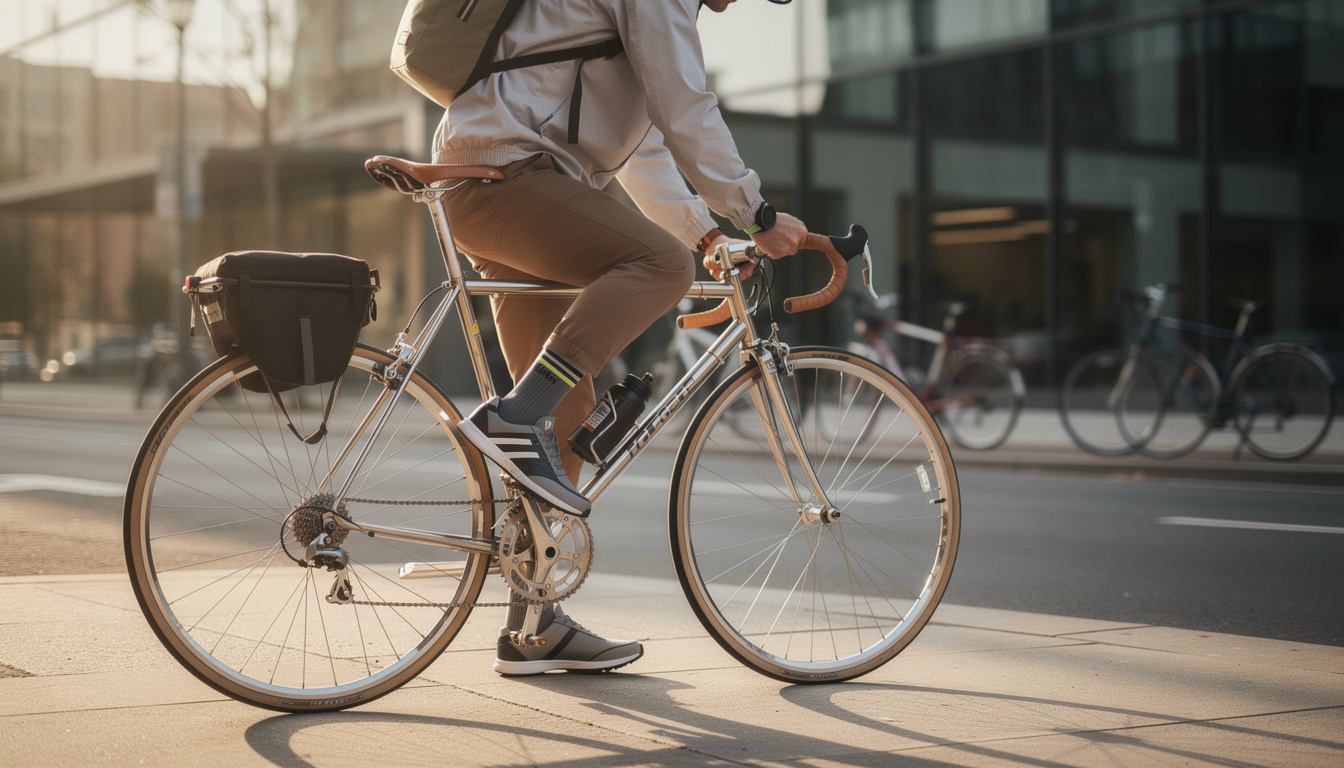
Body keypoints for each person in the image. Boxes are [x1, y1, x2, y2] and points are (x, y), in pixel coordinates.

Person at [436, 0, 808, 675]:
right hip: (509, 177)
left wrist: (704, 229)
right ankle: (513, 415)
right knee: (660, 266)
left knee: (564, 418)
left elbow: (647, 149)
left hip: (506, 180)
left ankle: (533, 626)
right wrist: (756, 212)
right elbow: (685, 105)